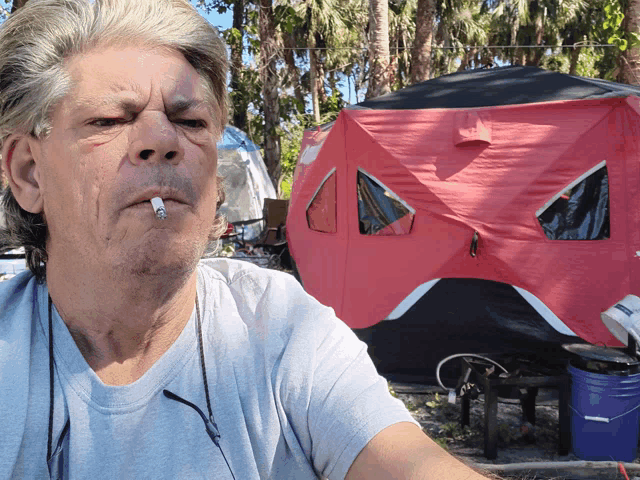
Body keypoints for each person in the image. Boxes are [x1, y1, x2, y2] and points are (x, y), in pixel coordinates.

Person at [0, 0, 490, 478]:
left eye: (191, 122)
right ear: (28, 173)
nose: (164, 140)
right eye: (108, 120)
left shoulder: (281, 331)